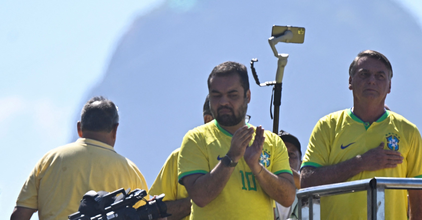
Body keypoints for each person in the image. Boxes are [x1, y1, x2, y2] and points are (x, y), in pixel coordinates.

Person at [300, 50, 422, 220]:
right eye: (364, 74)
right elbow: (307, 182)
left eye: (380, 76)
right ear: (350, 81)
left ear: (390, 86)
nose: (371, 81)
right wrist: (360, 163)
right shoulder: (327, 126)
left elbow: (419, 198)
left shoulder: (408, 131)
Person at [178, 61, 296, 220]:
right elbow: (200, 197)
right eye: (216, 95)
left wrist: (256, 167)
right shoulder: (196, 139)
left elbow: (287, 198)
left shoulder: (272, 142)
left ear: (247, 96)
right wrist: (231, 157)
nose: (223, 102)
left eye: (232, 95)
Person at [11, 96, 149, 220]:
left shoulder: (49, 160)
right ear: (115, 130)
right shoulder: (131, 171)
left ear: (79, 128)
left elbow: (20, 215)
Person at [148, 95, 214, 220]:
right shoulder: (179, 158)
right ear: (208, 120)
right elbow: (153, 213)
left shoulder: (247, 161)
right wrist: (203, 197)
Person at [274, 130, 302, 220]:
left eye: (291, 154)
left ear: (301, 164)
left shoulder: (310, 195)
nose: (286, 158)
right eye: (281, 153)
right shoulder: (258, 189)